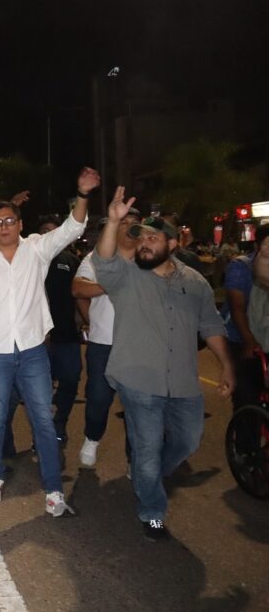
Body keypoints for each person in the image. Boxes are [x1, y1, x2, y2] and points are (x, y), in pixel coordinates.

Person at [92, 189, 234, 541]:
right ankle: (152, 510)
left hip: (183, 382)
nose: (145, 243)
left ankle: (144, 474)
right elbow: (104, 260)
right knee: (148, 446)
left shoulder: (195, 283)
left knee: (188, 441)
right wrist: (113, 221)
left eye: (154, 237)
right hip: (138, 380)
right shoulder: (126, 276)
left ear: (172, 244)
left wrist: (227, 366)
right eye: (142, 237)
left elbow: (211, 325)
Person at [0, 168, 101, 517]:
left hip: (34, 350)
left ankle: (53, 490)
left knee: (42, 418)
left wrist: (82, 194)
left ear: (20, 224)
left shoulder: (37, 248)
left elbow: (73, 228)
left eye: (9, 220)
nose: (3, 226)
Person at [72, 208, 142, 468]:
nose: (129, 227)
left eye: (135, 223)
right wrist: (108, 286)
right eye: (124, 222)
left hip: (139, 347)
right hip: (103, 345)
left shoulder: (149, 259)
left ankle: (135, 461)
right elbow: (78, 288)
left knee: (137, 408)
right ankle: (92, 437)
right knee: (99, 398)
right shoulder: (96, 259)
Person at [37, 214, 82, 445]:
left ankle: (60, 422)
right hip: (37, 338)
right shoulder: (31, 259)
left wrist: (80, 318)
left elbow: (79, 294)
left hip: (66, 335)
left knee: (71, 380)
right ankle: (43, 433)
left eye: (54, 230)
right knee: (41, 388)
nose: (49, 234)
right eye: (45, 230)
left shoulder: (72, 261)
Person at [221, 224, 269, 411]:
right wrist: (248, 340)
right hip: (241, 336)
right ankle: (245, 437)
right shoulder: (241, 267)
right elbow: (237, 308)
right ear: (257, 246)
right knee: (247, 395)